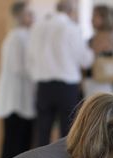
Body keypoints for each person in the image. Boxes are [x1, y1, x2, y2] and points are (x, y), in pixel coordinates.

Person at [27, 0, 94, 146]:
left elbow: (30, 57)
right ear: (71, 11)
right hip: (66, 87)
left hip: (43, 86)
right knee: (68, 134)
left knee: (42, 132)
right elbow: (85, 60)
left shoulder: (38, 27)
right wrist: (93, 53)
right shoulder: (72, 28)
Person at [0, 2, 36, 158]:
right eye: (29, 14)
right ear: (19, 16)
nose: (32, 17)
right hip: (16, 101)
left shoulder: (24, 36)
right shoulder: (17, 37)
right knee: (13, 144)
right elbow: (19, 67)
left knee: (21, 144)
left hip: (21, 100)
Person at [82, 5, 113, 98]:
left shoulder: (105, 37)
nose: (92, 19)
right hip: (96, 83)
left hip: (100, 84)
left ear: (104, 18)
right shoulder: (97, 37)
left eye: (95, 16)